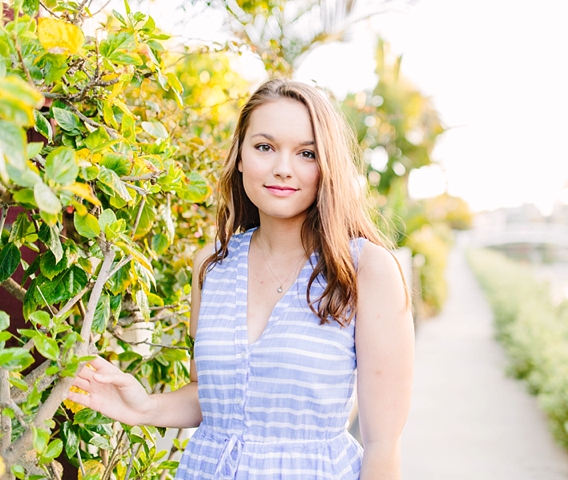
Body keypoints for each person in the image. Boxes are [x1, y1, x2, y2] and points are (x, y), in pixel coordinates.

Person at [69, 78, 415, 479]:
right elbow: (213, 397)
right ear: (240, 156)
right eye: (264, 147)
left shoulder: (366, 270)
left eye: (306, 153)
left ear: (327, 166)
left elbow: (382, 445)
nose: (283, 169)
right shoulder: (212, 266)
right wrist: (143, 406)